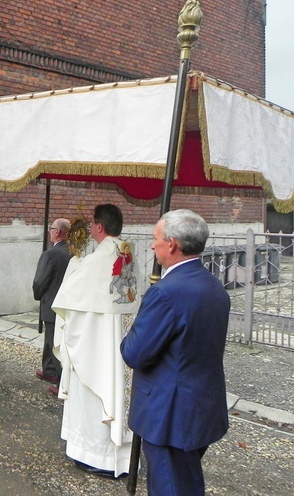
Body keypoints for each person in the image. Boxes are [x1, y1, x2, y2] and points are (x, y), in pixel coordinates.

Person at [121, 210, 230, 495]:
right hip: (203, 405)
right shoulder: (215, 286)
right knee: (184, 480)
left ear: (171, 244)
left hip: (169, 413)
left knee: (172, 487)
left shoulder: (166, 292)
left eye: (156, 239)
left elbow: (135, 353)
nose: (151, 245)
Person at [51, 204, 138, 478]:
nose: (90, 228)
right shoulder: (127, 255)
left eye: (92, 224)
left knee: (93, 397)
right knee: (117, 394)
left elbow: (68, 301)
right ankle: (117, 458)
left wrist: (75, 265)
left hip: (96, 347)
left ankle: (96, 455)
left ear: (99, 227)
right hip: (122, 342)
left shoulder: (95, 261)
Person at [32, 218, 71, 394]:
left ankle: (61, 383)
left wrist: (38, 295)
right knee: (51, 339)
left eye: (51, 228)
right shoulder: (74, 252)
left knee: (55, 343)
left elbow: (40, 281)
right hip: (68, 304)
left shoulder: (50, 255)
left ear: (57, 232)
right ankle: (48, 370)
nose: (49, 231)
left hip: (52, 304)